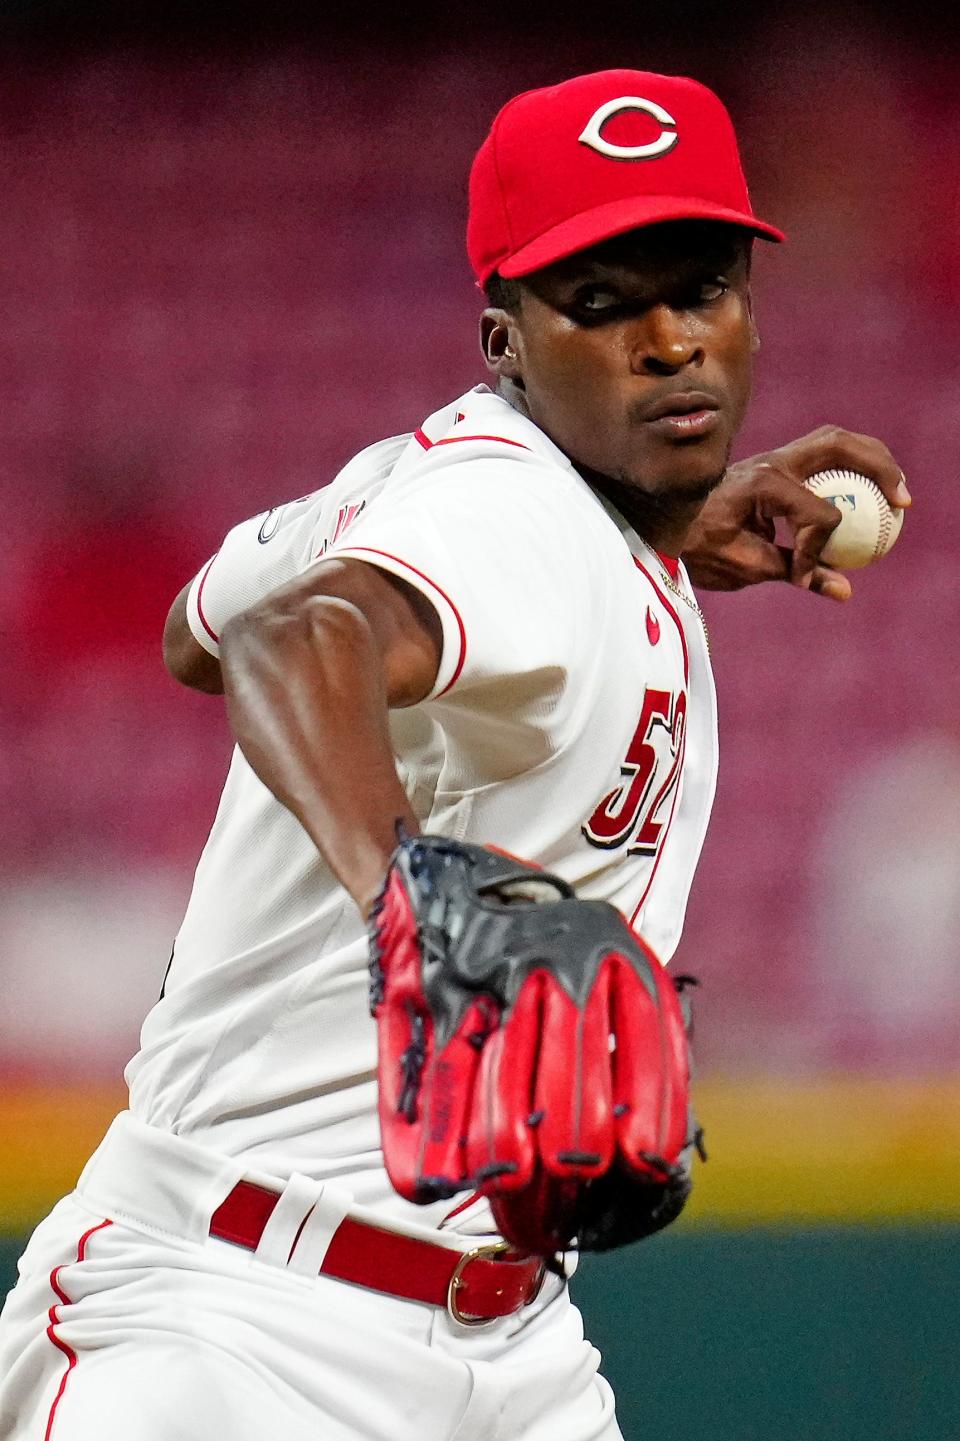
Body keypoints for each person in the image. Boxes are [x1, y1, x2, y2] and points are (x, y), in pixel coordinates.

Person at [0, 68, 908, 1441]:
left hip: (510, 1352)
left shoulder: (487, 488)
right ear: (505, 337)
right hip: (235, 1337)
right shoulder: (509, 514)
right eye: (600, 300)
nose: (670, 339)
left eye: (701, 285)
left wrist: (653, 521)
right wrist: (405, 897)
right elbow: (292, 640)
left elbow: (204, 625)